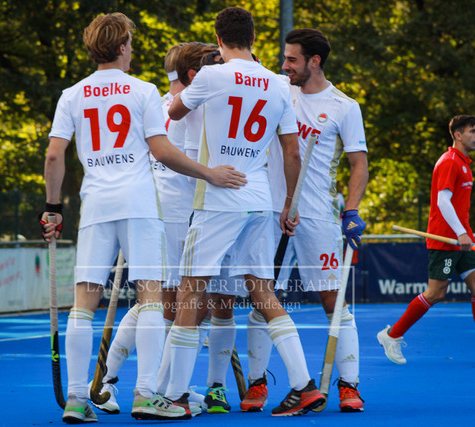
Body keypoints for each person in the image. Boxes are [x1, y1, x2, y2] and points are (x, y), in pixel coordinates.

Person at [40, 12, 246, 423]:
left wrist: (53, 208)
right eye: (130, 43)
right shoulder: (142, 90)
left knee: (83, 304)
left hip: (95, 206)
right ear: (121, 47)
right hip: (139, 206)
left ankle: (77, 399)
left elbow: (53, 156)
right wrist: (209, 173)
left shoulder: (72, 94)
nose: (131, 50)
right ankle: (146, 395)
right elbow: (162, 151)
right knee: (152, 298)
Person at [164, 7, 325, 417]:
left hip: (218, 197)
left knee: (190, 291)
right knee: (263, 293)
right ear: (253, 38)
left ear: (219, 39)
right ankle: (304, 386)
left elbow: (174, 111)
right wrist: (288, 203)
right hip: (259, 199)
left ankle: (176, 394)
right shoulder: (277, 83)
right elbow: (292, 152)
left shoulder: (211, 76)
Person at [241, 28, 369, 414]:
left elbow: (359, 164)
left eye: (292, 59)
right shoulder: (277, 88)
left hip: (316, 216)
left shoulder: (344, 106)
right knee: (262, 298)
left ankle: (348, 386)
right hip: (270, 213)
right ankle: (257, 383)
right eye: (284, 58)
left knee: (334, 300)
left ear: (314, 61)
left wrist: (351, 210)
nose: (285, 65)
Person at [377, 115, 475, 364]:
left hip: (463, 236)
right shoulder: (449, 162)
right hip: (446, 239)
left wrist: (464, 233)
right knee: (436, 292)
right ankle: (392, 335)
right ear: (458, 134)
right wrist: (459, 233)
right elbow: (443, 201)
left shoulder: (464, 163)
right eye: (473, 131)